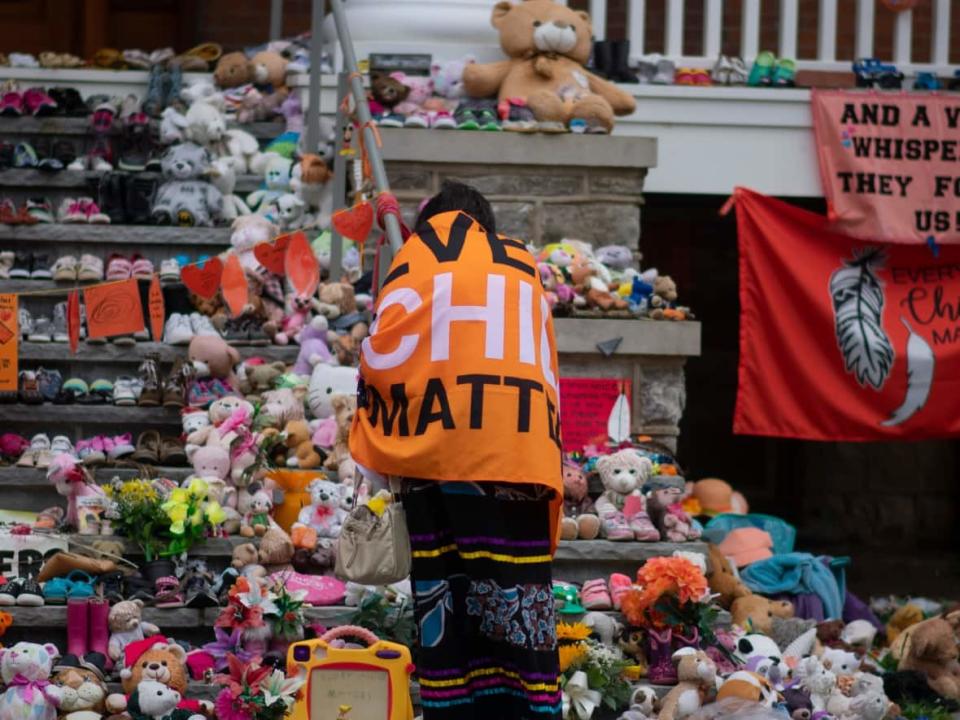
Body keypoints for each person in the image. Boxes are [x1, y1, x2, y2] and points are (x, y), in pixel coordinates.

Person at [351, 181, 564, 719]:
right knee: (522, 613)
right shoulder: (522, 266)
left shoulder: (420, 255)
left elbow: (386, 345)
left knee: (446, 611)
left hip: (442, 453)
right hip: (520, 454)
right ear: (485, 224)